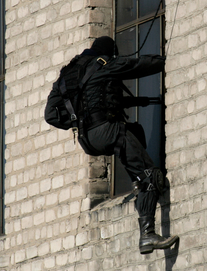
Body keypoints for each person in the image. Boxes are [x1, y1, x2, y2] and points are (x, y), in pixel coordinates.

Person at [75, 36, 178, 254]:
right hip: (107, 130)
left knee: (135, 134)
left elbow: (52, 115)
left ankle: (136, 184)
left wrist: (82, 119)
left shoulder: (70, 72)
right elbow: (135, 65)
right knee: (150, 176)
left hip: (86, 138)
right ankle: (148, 235)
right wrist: (170, 59)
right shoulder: (103, 63)